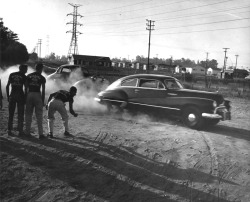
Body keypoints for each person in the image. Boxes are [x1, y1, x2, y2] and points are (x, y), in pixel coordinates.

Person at [25, 63, 46, 139]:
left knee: (28, 114)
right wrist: (42, 100)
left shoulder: (29, 76)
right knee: (39, 115)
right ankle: (40, 134)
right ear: (41, 69)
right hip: (37, 94)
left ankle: (27, 132)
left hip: (29, 94)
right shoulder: (42, 77)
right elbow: (43, 90)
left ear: (35, 68)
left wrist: (25, 97)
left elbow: (26, 87)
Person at [6, 64, 28, 136]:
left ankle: (9, 130)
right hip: (20, 96)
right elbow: (25, 88)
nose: (26, 71)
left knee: (11, 113)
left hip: (12, 95)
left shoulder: (12, 74)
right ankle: (20, 131)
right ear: (23, 69)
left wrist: (8, 96)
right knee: (20, 114)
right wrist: (25, 97)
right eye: (26, 69)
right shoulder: (24, 76)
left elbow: (7, 86)